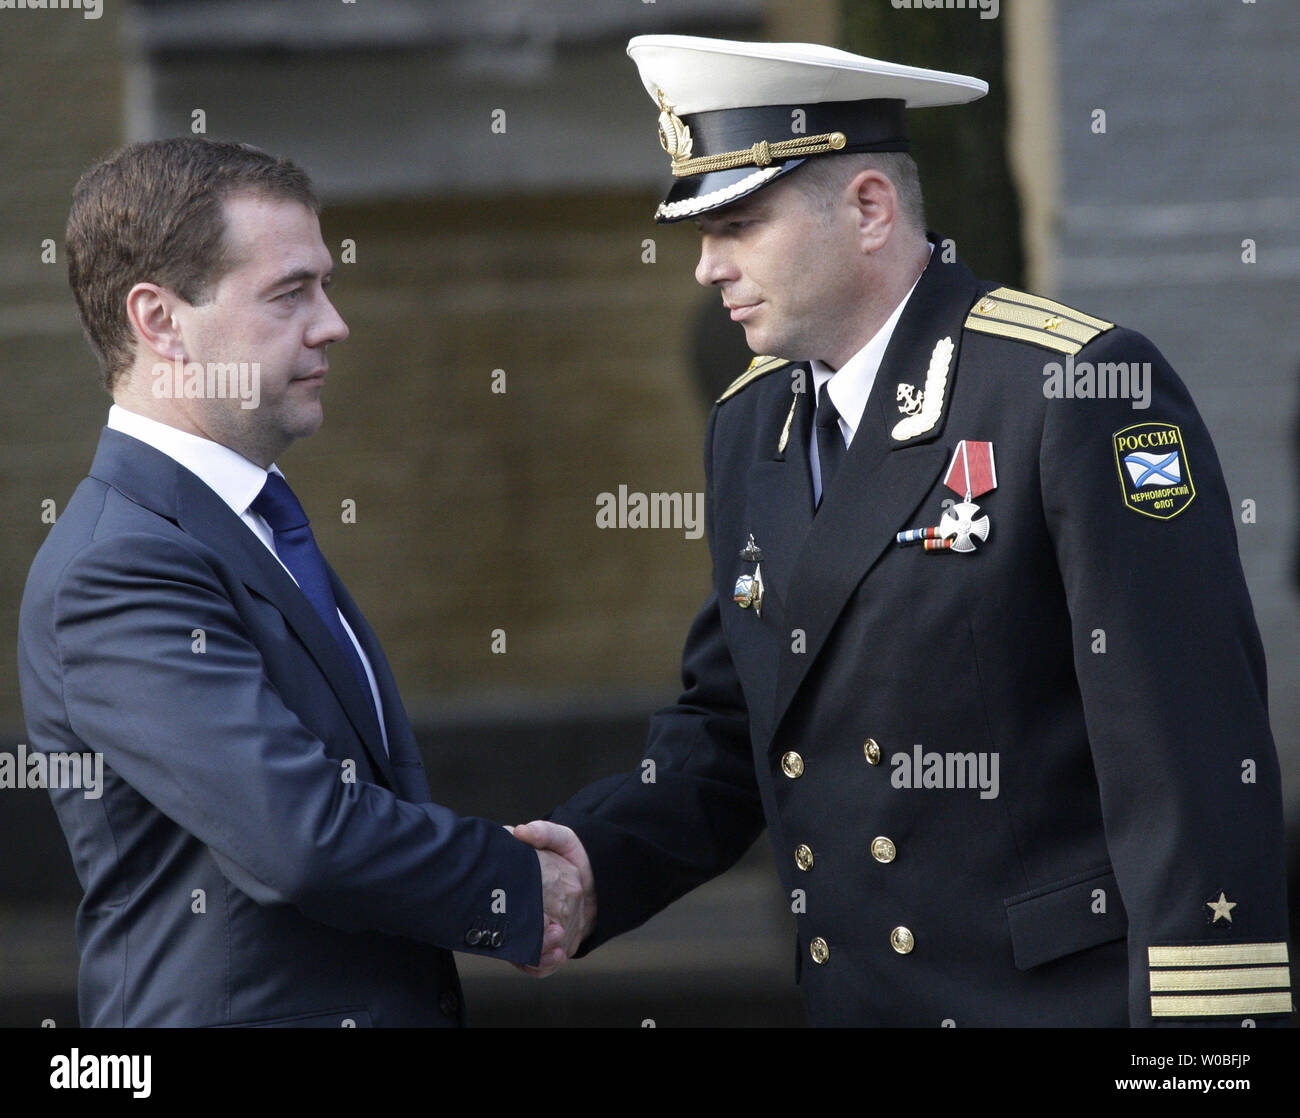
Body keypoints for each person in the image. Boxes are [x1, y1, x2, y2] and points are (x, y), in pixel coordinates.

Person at [512, 35, 1293, 1026]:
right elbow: (737, 720)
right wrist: (594, 858)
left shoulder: (1067, 388)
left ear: (869, 207)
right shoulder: (750, 424)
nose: (706, 266)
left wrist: (1206, 1047)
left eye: (738, 224)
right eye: (699, 231)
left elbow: (1186, 750)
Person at [17, 138, 590, 1027]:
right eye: (290, 293)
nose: (332, 323)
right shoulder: (118, 566)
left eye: (323, 284)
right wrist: (522, 886)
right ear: (160, 321)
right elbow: (301, 834)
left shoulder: (246, 519)